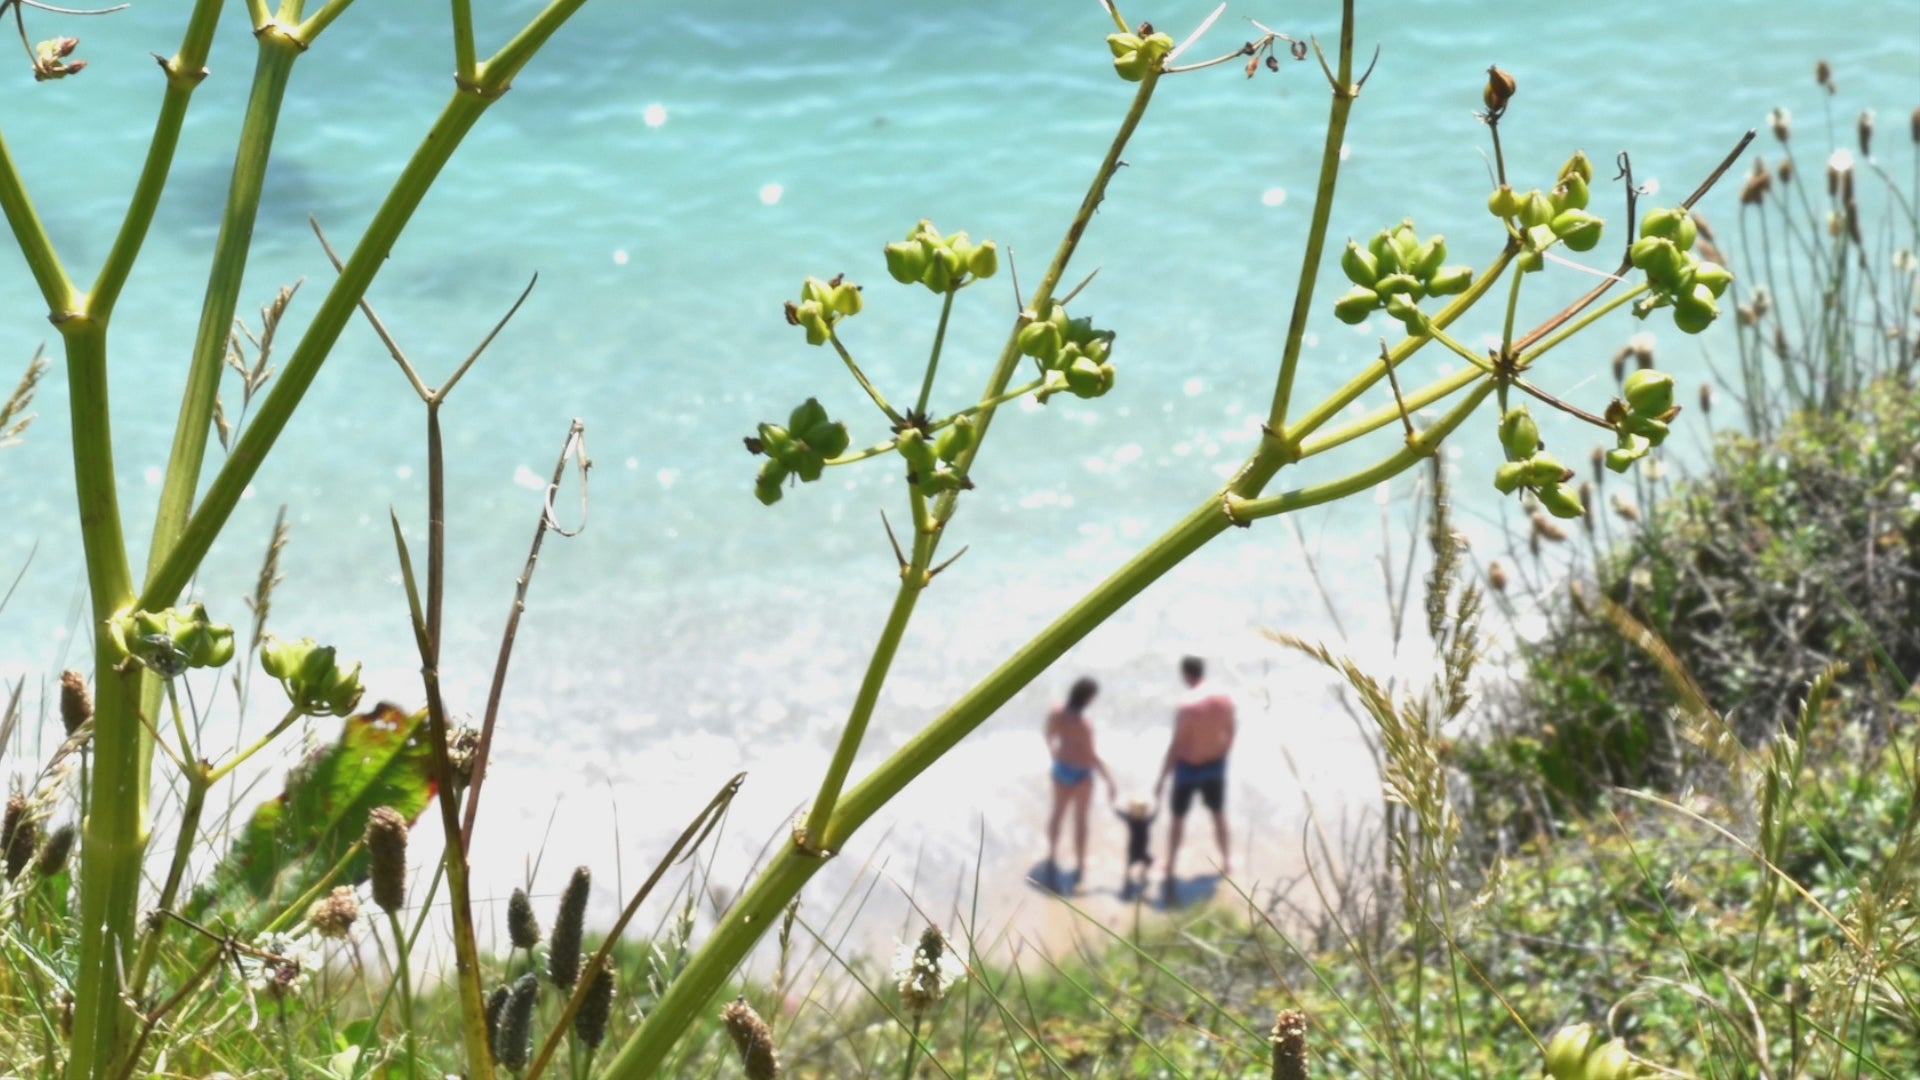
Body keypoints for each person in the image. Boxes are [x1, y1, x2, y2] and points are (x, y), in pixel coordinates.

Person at [1155, 655, 1236, 883]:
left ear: (1186, 675)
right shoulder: (1224, 699)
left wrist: (1161, 779)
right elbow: (1231, 731)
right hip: (1214, 764)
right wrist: (1222, 752)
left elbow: (1177, 744)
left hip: (1188, 768)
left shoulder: (1188, 705)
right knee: (1218, 813)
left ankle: (1170, 863)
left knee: (1178, 817)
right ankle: (1227, 860)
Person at [1045, 676, 1114, 887]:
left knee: (1058, 813)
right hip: (1082, 775)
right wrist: (1109, 779)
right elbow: (1091, 755)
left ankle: (1052, 854)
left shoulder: (1056, 713)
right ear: (1087, 698)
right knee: (1080, 819)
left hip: (1062, 769)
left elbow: (1049, 735)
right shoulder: (1084, 724)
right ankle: (1080, 861)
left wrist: (1054, 751)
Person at [1113, 793, 1160, 899]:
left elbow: (1119, 812)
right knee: (1145, 862)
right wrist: (1158, 801)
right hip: (1139, 849)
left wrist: (1113, 801)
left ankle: (1131, 879)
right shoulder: (1145, 820)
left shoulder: (1131, 819)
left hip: (1135, 849)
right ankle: (1139, 876)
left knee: (1132, 864)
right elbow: (1156, 813)